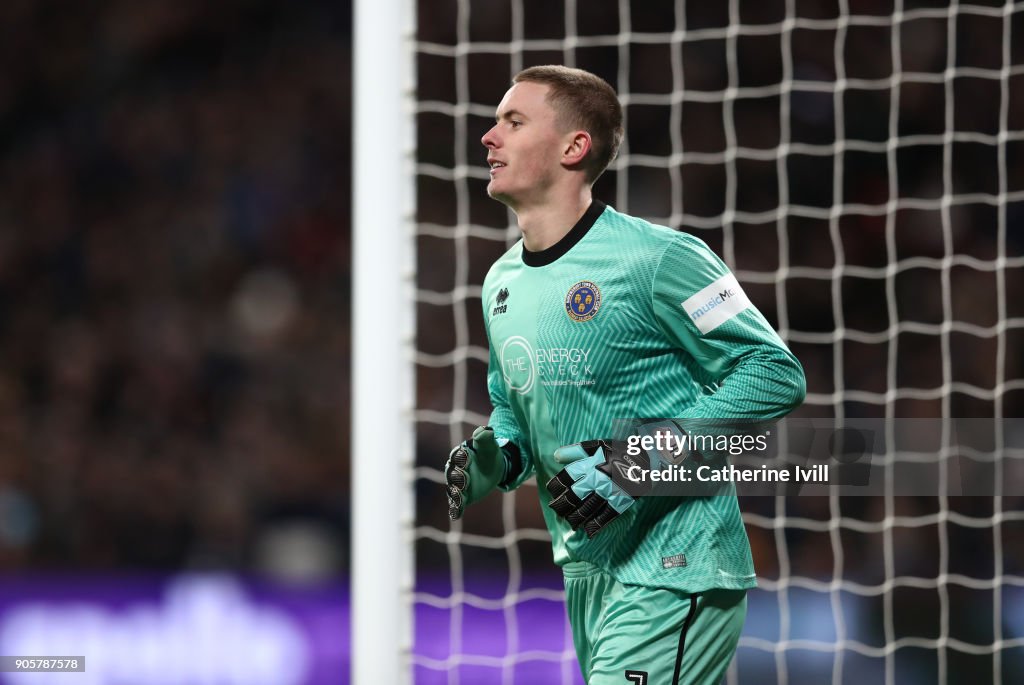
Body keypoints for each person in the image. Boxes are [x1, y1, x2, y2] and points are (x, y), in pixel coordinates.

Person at [444, 65, 806, 685]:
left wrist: (635, 463)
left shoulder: (661, 258)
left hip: (677, 561)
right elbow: (514, 414)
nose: (488, 136)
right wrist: (497, 459)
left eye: (513, 120)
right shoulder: (500, 284)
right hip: (587, 571)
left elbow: (774, 371)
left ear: (573, 147)